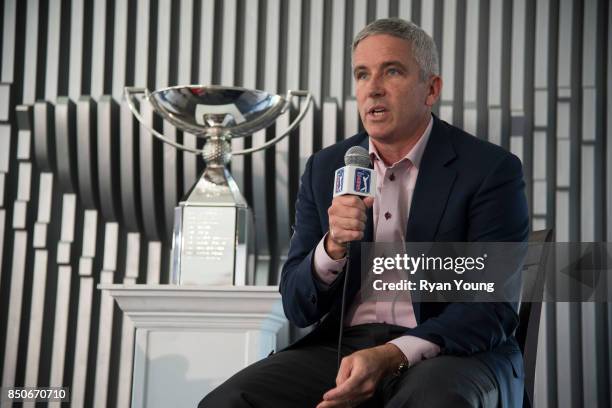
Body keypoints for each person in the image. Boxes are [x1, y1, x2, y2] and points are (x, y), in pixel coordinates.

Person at [199, 18, 528, 408]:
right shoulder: (326, 168)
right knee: (229, 402)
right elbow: (298, 305)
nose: (373, 87)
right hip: (343, 347)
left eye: (392, 71)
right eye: (362, 74)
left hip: (450, 349)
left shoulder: (489, 169)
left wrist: (393, 354)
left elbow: (492, 308)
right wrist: (332, 247)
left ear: (431, 89)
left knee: (432, 400)